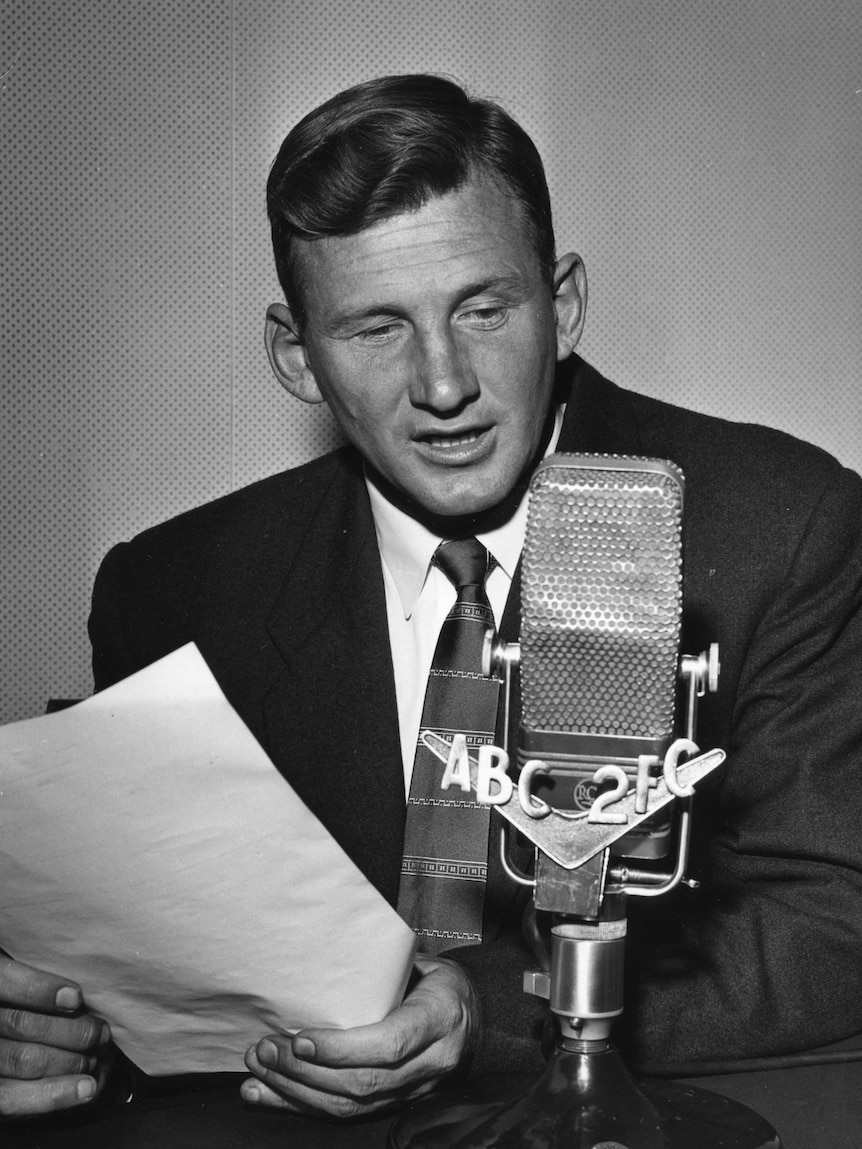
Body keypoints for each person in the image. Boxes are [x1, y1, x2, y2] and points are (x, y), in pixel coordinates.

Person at [2, 73, 862, 1123]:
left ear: (566, 303)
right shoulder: (174, 587)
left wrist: (489, 1015)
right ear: (296, 355)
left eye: (484, 309)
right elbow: (137, 944)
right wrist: (47, 1015)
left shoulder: (781, 524)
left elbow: (836, 917)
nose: (444, 383)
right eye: (375, 329)